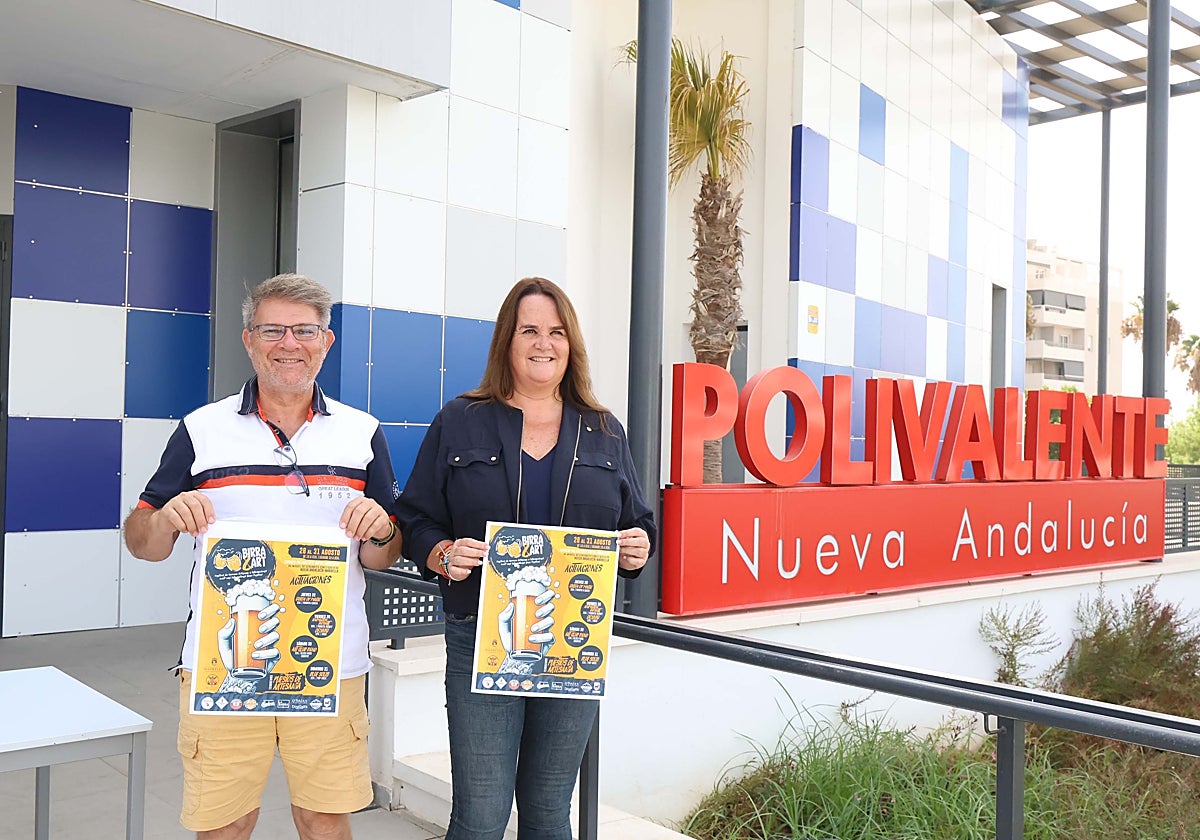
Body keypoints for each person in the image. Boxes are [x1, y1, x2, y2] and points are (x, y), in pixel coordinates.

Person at [123, 273, 402, 840]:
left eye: (305, 331)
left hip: (329, 665)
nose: (289, 344)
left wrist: (380, 528)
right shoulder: (202, 430)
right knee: (223, 826)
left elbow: (382, 555)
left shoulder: (362, 434)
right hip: (223, 668)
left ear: (327, 342)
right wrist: (166, 517)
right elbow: (141, 542)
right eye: (273, 330)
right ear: (249, 340)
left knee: (325, 820)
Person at [397, 277, 657, 840]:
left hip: (572, 638)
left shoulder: (604, 430)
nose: (544, 343)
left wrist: (637, 547)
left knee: (547, 811)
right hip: (480, 633)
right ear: (507, 342)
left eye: (557, 331)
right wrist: (441, 553)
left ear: (572, 344)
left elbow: (637, 521)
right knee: (482, 814)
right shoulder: (460, 419)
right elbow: (413, 517)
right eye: (530, 330)